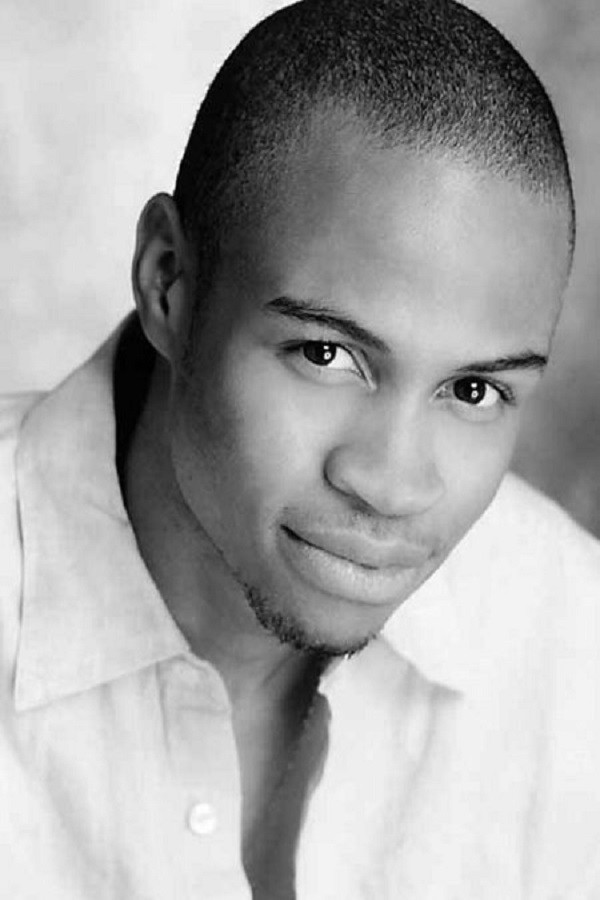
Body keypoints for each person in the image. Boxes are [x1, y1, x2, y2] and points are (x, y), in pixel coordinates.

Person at [2, 0, 599, 897]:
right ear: (168, 284)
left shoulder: (575, 649)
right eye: (326, 354)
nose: (391, 484)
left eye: (473, 391)